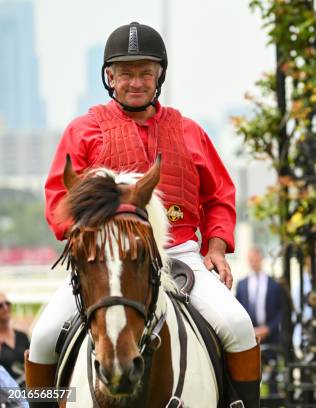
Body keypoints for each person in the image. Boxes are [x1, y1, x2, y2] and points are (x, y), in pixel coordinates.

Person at [25, 22, 260, 407]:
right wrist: (92, 240)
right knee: (43, 337)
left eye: (145, 72)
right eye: (126, 73)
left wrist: (215, 248)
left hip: (179, 253)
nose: (136, 82)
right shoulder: (82, 131)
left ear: (159, 76)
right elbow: (58, 200)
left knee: (238, 325)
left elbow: (220, 196)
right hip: (103, 257)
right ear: (110, 78)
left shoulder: (190, 131)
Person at [236, 247, 285, 346]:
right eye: (251, 260)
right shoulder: (241, 285)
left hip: (271, 337)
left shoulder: (274, 284)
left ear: (261, 259)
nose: (254, 263)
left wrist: (268, 329)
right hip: (248, 336)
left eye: (256, 260)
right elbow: (237, 310)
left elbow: (281, 311)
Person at [0, 293, 29, 388]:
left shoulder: (22, 336)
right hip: (7, 397)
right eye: (0, 305)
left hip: (31, 391)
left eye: (7, 303)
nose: (5, 308)